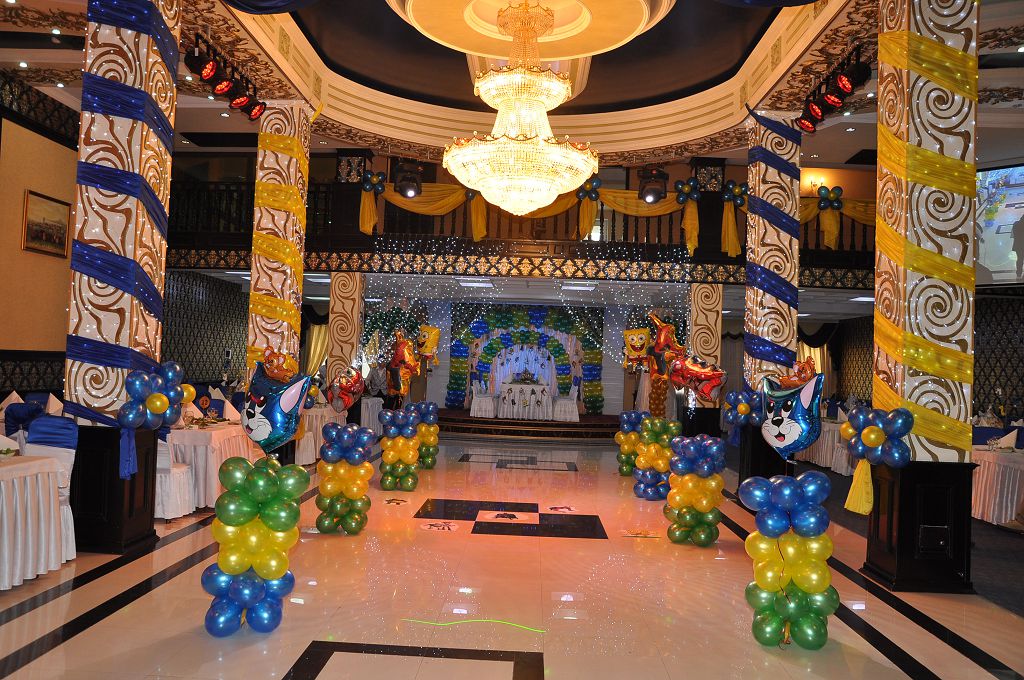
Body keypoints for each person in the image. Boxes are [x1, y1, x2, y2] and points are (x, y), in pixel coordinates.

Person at [1013, 212, 1024, 279]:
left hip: (1018, 246)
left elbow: (1013, 235)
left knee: (1019, 260)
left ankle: (1018, 274)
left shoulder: (1016, 224)